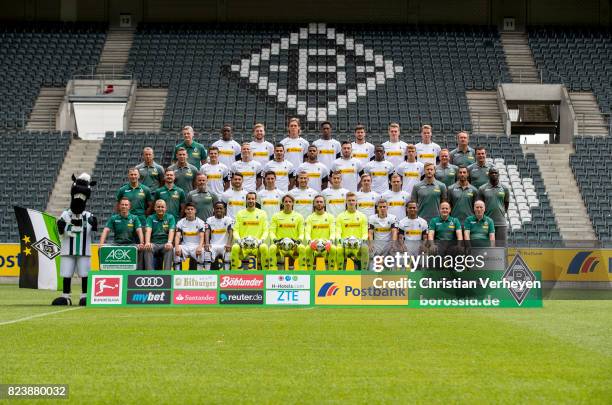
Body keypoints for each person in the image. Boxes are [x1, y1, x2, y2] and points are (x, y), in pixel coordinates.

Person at [99, 198, 144, 269]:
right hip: (116, 244)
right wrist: (101, 244)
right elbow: (106, 230)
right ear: (119, 206)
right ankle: (103, 273)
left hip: (131, 244)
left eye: (126, 205)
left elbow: (139, 230)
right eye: (122, 204)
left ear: (129, 206)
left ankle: (138, 272)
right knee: (101, 250)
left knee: (141, 249)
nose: (124, 206)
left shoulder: (134, 218)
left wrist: (141, 243)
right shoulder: (113, 218)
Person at [231, 192, 270, 270]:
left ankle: (266, 272)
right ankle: (234, 273)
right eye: (249, 199)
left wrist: (260, 241)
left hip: (257, 244)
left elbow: (266, 230)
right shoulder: (240, 213)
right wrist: (239, 240)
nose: (251, 200)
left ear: (256, 200)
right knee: (235, 247)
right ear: (246, 200)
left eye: (253, 199)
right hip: (243, 244)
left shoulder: (262, 213)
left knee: (264, 247)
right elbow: (235, 230)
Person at [269, 195, 306, 270]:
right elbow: (272, 232)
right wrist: (275, 240)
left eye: (290, 201)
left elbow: (302, 233)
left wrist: (298, 241)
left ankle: (302, 272)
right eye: (286, 201)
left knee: (302, 248)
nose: (288, 203)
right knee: (272, 248)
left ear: (293, 203)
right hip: (280, 245)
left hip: (294, 246)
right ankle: (273, 271)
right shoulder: (276, 216)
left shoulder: (299, 216)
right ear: (282, 203)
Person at [335, 192, 369, 271]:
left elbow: (365, 233)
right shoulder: (340, 216)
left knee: (365, 247)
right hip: (345, 245)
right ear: (346, 202)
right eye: (349, 200)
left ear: (356, 202)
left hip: (358, 245)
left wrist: (361, 241)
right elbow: (338, 233)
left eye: (353, 200)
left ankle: (363, 272)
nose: (351, 202)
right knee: (338, 248)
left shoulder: (362, 216)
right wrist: (342, 241)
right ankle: (340, 273)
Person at [304, 195, 337, 270]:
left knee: (334, 248)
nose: (319, 203)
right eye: (317, 202)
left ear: (324, 204)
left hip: (326, 244)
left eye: (321, 202)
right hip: (314, 244)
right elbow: (307, 233)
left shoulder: (330, 217)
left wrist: (330, 242)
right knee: (307, 249)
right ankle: (310, 272)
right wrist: (310, 242)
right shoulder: (310, 217)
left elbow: (333, 232)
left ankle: (330, 272)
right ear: (314, 204)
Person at [477, 168, 509, 242]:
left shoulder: (505, 188)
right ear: (488, 175)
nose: (494, 174)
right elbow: (479, 206)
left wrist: (501, 212)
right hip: (486, 222)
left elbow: (506, 204)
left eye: (495, 173)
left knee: (501, 246)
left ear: (499, 175)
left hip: (501, 222)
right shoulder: (482, 188)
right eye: (492, 173)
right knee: (486, 247)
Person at [143, 199, 175, 270]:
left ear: (166, 208)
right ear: (155, 208)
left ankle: (167, 273)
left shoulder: (170, 217)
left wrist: (169, 242)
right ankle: (150, 273)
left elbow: (171, 230)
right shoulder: (150, 218)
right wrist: (147, 242)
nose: (160, 208)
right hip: (154, 243)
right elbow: (148, 230)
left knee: (169, 249)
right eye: (158, 207)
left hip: (165, 244)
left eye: (162, 207)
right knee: (147, 248)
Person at [173, 203, 206, 270]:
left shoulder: (200, 222)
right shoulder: (181, 222)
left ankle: (200, 274)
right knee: (174, 250)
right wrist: (176, 246)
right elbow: (177, 236)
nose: (190, 211)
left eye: (192, 209)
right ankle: (177, 273)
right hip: (185, 246)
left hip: (196, 246)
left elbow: (202, 236)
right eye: (188, 209)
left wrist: (200, 246)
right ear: (185, 211)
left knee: (202, 251)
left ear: (195, 211)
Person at [204, 201, 233, 270]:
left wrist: (229, 244)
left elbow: (231, 232)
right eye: (217, 208)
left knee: (228, 255)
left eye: (221, 208)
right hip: (213, 245)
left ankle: (227, 274)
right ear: (214, 209)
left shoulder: (228, 219)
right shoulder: (209, 220)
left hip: (224, 245)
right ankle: (207, 275)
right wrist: (207, 243)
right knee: (207, 252)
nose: (219, 210)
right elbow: (207, 232)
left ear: (224, 210)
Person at [368, 199, 398, 266]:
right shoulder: (372, 218)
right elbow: (370, 233)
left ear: (387, 208)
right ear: (377, 208)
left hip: (388, 245)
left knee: (390, 266)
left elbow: (394, 232)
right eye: (380, 207)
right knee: (374, 267)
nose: (382, 208)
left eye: (384, 207)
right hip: (376, 245)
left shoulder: (393, 218)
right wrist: (370, 244)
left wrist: (394, 243)